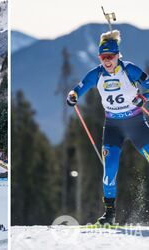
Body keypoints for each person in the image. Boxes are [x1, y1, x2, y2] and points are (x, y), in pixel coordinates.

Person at [66, 30, 149, 225]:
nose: (107, 61)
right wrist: (73, 95)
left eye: (110, 57)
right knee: (109, 170)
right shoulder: (96, 74)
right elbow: (79, 88)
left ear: (118, 55)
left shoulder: (130, 70)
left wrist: (143, 98)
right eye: (103, 57)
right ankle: (109, 215)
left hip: (136, 124)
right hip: (113, 127)